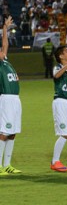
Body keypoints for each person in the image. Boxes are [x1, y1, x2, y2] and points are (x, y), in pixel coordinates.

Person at [0, 16, 22, 176]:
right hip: (5, 98)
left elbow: (5, 45)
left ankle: (7, 164)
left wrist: (5, 29)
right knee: (4, 132)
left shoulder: (5, 60)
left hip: (15, 98)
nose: (2, 51)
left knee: (13, 132)